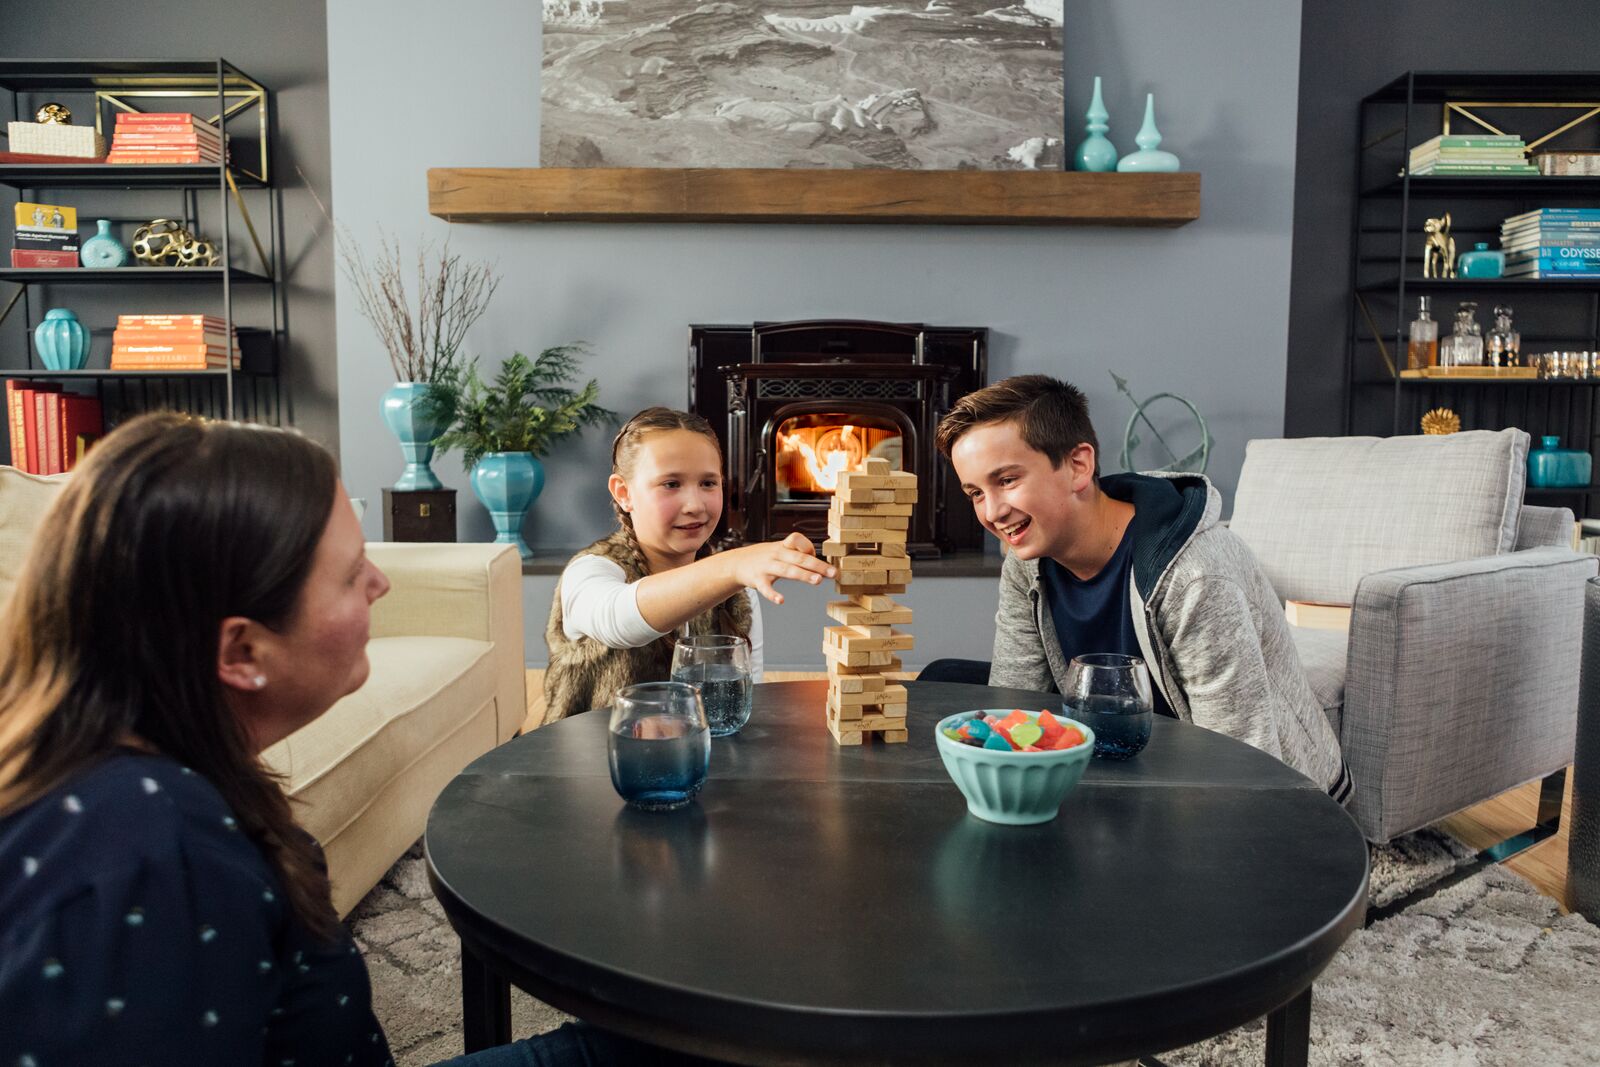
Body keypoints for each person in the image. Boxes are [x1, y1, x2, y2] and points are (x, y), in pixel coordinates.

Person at [0, 413, 709, 1066]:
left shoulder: (160, 779)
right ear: (241, 652)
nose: (379, 584)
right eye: (348, 572)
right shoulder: (145, 854)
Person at [934, 375, 1352, 802]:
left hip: (1269, 791)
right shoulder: (1027, 561)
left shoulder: (1196, 573)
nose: (992, 512)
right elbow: (1016, 713)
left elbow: (1238, 761)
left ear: (1078, 465)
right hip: (1119, 749)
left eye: (1006, 480)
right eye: (974, 493)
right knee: (942, 681)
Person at [544, 407, 836, 723]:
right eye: (671, 484)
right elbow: (618, 621)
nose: (695, 505)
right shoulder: (590, 571)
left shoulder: (735, 591)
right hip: (589, 765)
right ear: (624, 493)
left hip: (698, 760)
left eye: (708, 483)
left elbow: (750, 690)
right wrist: (734, 566)